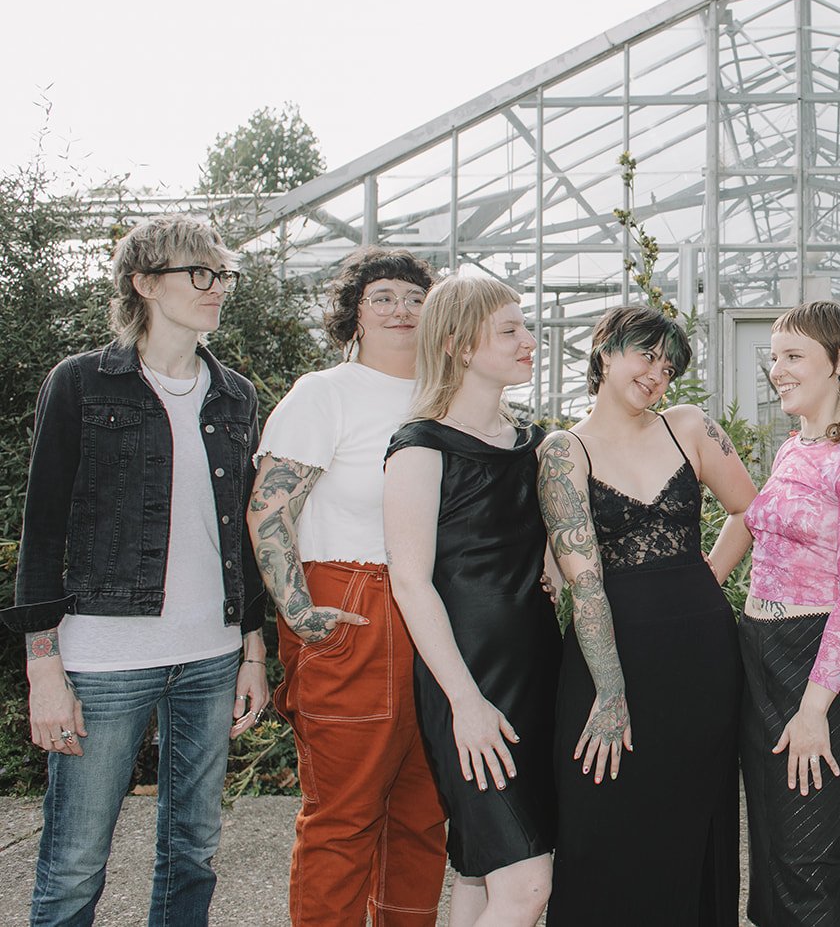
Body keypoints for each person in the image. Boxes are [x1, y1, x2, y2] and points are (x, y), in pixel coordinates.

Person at [4, 216, 268, 924]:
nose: (217, 288)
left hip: (211, 658)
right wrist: (42, 667)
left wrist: (252, 645)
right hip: (104, 660)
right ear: (145, 282)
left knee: (194, 852)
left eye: (223, 275)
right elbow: (42, 530)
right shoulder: (82, 383)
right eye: (199, 273)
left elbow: (241, 534)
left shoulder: (234, 395)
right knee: (74, 863)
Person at [539, 304, 757, 926]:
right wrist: (609, 690)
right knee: (600, 820)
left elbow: (751, 511)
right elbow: (585, 586)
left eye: (669, 366)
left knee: (694, 818)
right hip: (611, 650)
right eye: (646, 355)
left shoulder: (687, 425)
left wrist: (705, 579)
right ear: (605, 350)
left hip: (702, 656)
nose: (658, 374)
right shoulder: (564, 451)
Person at [247, 247, 447, 926]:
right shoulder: (324, 393)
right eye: (382, 296)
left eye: (415, 298)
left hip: (436, 612)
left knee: (424, 814)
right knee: (344, 814)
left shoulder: (444, 398)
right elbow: (268, 508)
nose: (400, 308)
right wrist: (300, 613)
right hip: (353, 603)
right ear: (354, 314)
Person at [382, 276, 562, 926]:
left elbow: (539, 545)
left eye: (526, 326)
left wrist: (556, 564)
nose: (528, 341)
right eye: (510, 330)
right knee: (529, 886)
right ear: (459, 343)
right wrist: (464, 702)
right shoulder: (421, 446)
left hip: (538, 676)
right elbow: (410, 581)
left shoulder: (535, 444)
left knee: (481, 876)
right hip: (470, 684)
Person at [741, 300, 840, 927]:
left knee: (813, 852)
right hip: (763, 658)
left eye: (793, 357)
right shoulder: (791, 450)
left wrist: (814, 709)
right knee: (775, 844)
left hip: (818, 664)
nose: (778, 370)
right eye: (774, 357)